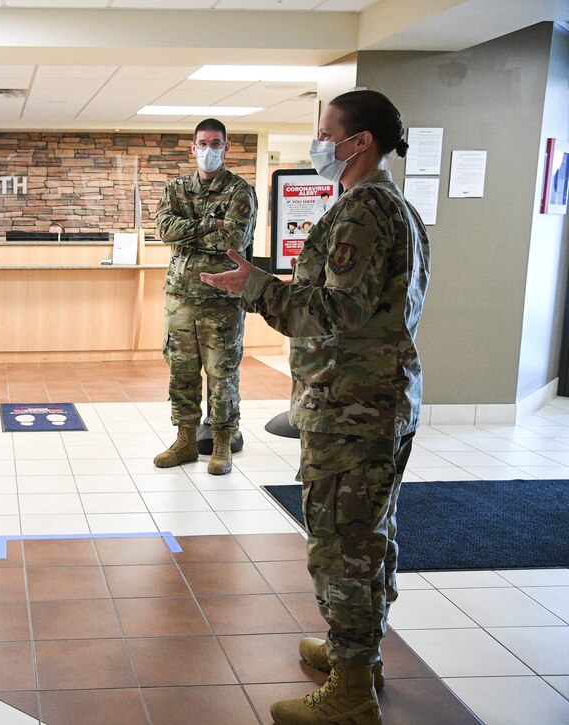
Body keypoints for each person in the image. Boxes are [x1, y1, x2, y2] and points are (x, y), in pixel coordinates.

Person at [201, 90, 430, 724]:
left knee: (343, 545)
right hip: (381, 400)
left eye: (327, 132)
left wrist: (255, 288)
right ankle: (355, 652)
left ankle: (352, 692)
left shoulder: (361, 213)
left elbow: (333, 314)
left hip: (354, 409)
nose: (318, 143)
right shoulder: (395, 209)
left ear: (360, 142)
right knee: (368, 537)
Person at [152, 118, 257, 475]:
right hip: (179, 298)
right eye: (202, 143)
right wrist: (209, 224)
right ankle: (184, 441)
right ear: (193, 147)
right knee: (181, 372)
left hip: (221, 301)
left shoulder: (240, 191)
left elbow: (232, 241)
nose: (208, 149)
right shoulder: (177, 188)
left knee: (221, 373)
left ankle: (222, 442)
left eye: (215, 143)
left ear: (226, 148)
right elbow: (165, 230)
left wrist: (190, 232)